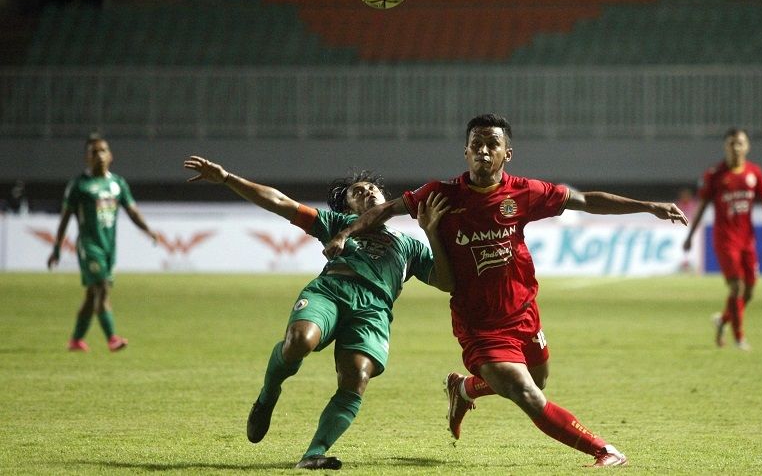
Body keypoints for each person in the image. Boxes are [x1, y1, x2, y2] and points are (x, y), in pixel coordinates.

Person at [324, 113, 689, 468]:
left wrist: (648, 207)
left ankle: (465, 389)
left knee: (538, 378)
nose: (483, 150)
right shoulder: (439, 194)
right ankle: (604, 450)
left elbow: (585, 200)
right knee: (528, 393)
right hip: (480, 324)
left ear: (506, 154)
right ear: (465, 152)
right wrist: (344, 233)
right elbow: (385, 210)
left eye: (492, 144)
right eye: (475, 144)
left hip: (523, 311)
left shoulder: (526, 192)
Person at [183, 155, 453, 471]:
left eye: (371, 188)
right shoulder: (336, 225)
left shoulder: (410, 245)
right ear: (347, 207)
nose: (366, 192)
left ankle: (314, 453)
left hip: (373, 310)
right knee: (299, 341)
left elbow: (446, 282)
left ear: (383, 197)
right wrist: (228, 177)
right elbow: (279, 202)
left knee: (357, 377)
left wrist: (432, 231)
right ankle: (268, 395)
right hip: (331, 292)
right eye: (357, 192)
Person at [683, 128, 762, 350]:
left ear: (747, 146)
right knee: (737, 287)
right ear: (725, 146)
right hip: (725, 240)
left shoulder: (754, 172)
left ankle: (723, 321)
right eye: (731, 143)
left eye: (740, 143)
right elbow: (703, 207)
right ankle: (739, 338)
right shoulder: (714, 175)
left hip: (747, 240)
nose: (736, 147)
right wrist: (690, 236)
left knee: (750, 292)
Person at [47, 135, 159, 352]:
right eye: (94, 152)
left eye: (103, 151)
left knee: (91, 295)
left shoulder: (117, 184)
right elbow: (65, 219)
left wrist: (148, 230)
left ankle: (76, 340)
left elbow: (132, 211)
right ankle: (112, 338)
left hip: (109, 247)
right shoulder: (79, 185)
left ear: (110, 156)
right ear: (87, 158)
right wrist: (56, 249)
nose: (99, 155)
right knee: (102, 289)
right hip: (89, 246)